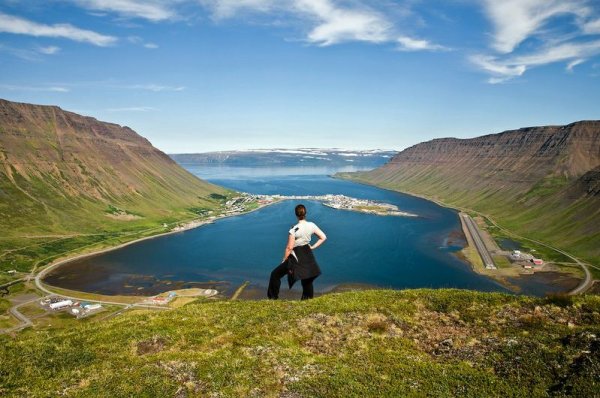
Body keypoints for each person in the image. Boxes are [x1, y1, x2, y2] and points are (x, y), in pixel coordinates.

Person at [267, 204, 327, 300]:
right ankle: (307, 301)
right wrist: (312, 247)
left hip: (296, 256)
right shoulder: (312, 225)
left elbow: (289, 247)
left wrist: (284, 259)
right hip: (307, 253)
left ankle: (273, 298)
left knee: (275, 274)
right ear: (305, 213)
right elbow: (323, 237)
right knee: (307, 280)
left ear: (296, 214)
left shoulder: (293, 229)